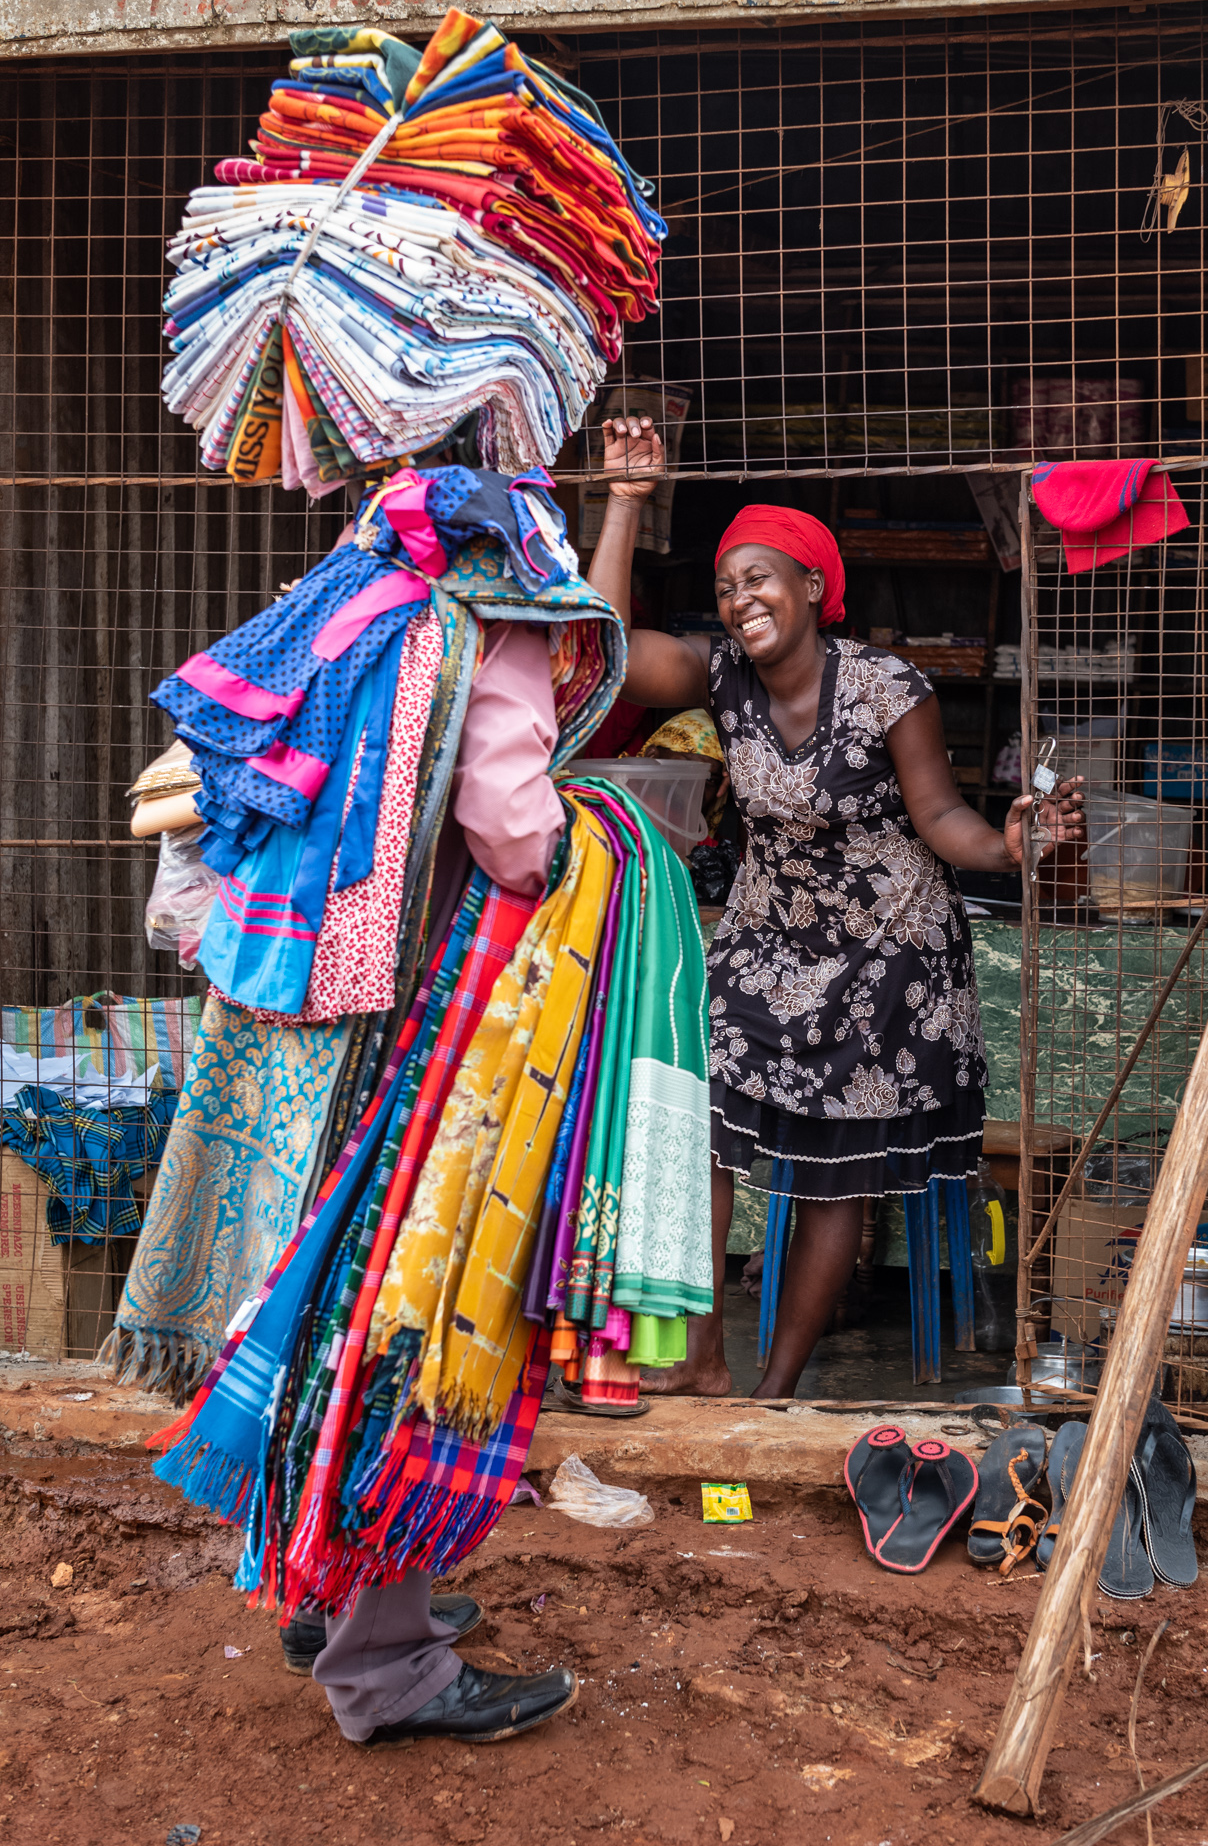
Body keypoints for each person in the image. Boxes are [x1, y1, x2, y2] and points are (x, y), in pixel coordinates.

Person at [131, 616, 581, 1746]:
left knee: (312, 1298)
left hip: (293, 1009)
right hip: (413, 1026)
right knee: (391, 1314)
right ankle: (388, 1662)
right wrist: (599, 840)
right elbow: (510, 824)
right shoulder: (493, 614)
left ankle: (323, 1586)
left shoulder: (339, 607)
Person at [587, 416, 1083, 1399]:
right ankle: (701, 1359)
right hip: (769, 940)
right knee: (697, 1118)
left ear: (812, 588)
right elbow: (602, 652)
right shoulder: (720, 672)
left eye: (761, 577)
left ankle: (774, 1390)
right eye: (728, 584)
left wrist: (1011, 845)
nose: (741, 599)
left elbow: (942, 817)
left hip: (888, 952)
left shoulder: (887, 685)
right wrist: (627, 503)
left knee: (830, 1171)